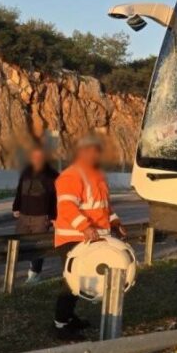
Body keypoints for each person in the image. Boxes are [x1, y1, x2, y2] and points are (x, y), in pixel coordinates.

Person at [52, 135, 127, 340]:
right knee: (72, 282)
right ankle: (60, 325)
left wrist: (115, 222)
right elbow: (66, 206)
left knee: (81, 281)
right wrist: (84, 227)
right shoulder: (71, 176)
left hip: (92, 239)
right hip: (74, 239)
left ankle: (68, 318)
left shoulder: (98, 176)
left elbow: (103, 207)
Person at [12, 146, 58, 284]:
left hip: (41, 217)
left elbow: (56, 197)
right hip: (24, 215)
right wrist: (16, 207)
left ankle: (34, 274)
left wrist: (53, 216)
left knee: (38, 246)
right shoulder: (26, 172)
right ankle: (13, 271)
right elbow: (20, 190)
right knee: (19, 245)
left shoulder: (52, 175)